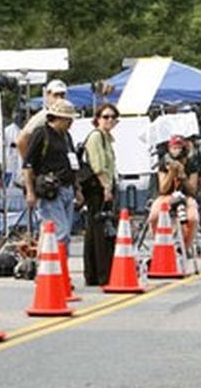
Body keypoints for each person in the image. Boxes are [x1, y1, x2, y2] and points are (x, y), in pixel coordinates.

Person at [22, 99, 79, 249]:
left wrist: (77, 189)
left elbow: (72, 163)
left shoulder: (67, 137)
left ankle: (55, 267)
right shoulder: (42, 134)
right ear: (58, 118)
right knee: (61, 233)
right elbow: (27, 165)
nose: (70, 123)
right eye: (68, 119)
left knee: (54, 232)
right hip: (50, 191)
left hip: (67, 188)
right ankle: (56, 268)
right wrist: (30, 191)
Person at [81, 103, 118, 285]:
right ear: (97, 119)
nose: (109, 120)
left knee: (98, 230)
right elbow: (98, 165)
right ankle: (100, 273)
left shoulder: (107, 138)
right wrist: (106, 187)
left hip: (104, 186)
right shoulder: (96, 137)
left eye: (112, 117)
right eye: (105, 116)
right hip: (98, 188)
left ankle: (97, 272)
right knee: (99, 231)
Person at [150, 135, 201, 254]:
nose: (176, 151)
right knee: (154, 215)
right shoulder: (164, 162)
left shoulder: (191, 163)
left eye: (179, 148)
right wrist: (171, 173)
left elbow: (193, 190)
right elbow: (163, 188)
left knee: (192, 217)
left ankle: (186, 246)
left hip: (185, 196)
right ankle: (159, 242)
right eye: (173, 148)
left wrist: (183, 176)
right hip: (167, 196)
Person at [17, 79, 68, 159]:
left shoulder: (61, 116)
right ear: (48, 95)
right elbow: (21, 140)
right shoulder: (43, 116)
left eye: (62, 95)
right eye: (56, 95)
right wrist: (28, 164)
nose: (59, 99)